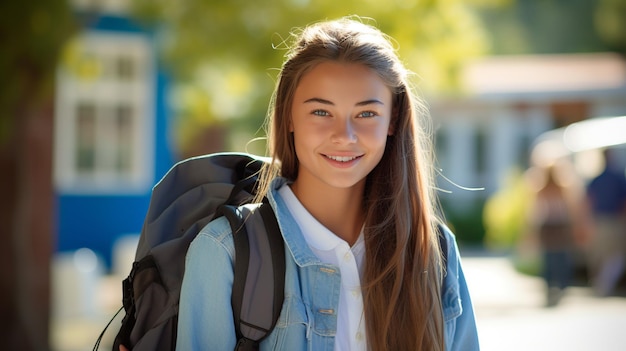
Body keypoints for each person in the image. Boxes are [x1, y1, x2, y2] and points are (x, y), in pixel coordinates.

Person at [176, 17, 479, 351]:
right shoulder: (224, 252)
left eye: (366, 114)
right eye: (321, 112)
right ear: (289, 116)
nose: (344, 137)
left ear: (392, 120)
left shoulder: (434, 249)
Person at [528, 163, 578, 306]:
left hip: (552, 226)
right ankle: (558, 286)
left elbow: (536, 212)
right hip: (555, 226)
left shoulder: (557, 189)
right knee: (556, 258)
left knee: (554, 258)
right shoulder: (551, 189)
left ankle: (555, 286)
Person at [586, 149, 626, 296]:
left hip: (599, 220)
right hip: (613, 220)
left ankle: (601, 284)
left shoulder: (597, 179)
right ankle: (604, 284)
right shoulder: (618, 177)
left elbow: (588, 202)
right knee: (615, 255)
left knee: (602, 255)